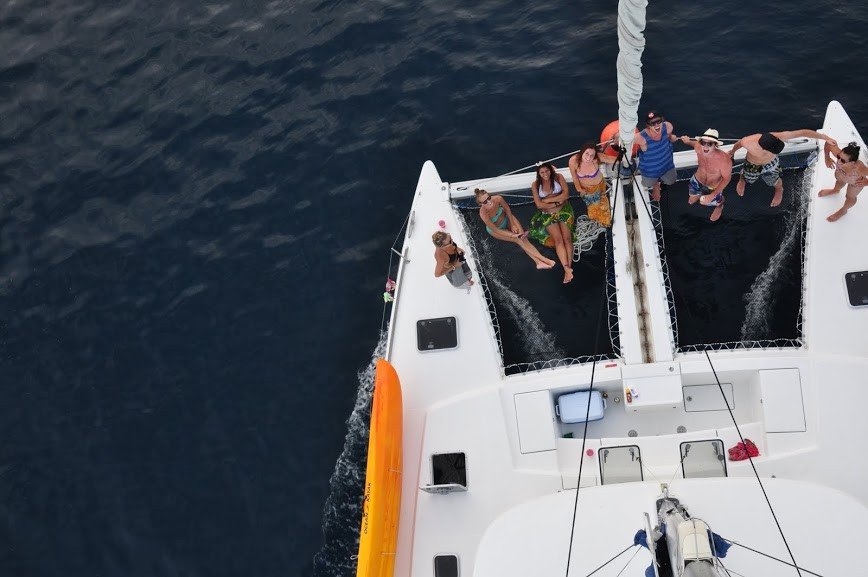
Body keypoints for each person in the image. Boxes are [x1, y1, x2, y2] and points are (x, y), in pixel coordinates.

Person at [730, 129, 836, 207]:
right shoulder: (748, 142)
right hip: (752, 164)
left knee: (775, 180)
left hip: (771, 163)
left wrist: (826, 138)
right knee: (746, 176)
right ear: (763, 148)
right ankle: (742, 180)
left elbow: (803, 132)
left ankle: (779, 189)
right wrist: (732, 152)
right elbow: (739, 144)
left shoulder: (778, 136)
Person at [474, 189, 555, 269]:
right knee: (518, 240)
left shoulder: (498, 198)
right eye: (485, 202)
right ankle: (545, 260)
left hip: (506, 218)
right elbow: (496, 230)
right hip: (496, 230)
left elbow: (507, 209)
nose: (489, 202)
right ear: (480, 204)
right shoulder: (483, 214)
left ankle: (538, 263)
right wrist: (512, 235)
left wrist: (512, 224)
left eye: (489, 198)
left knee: (523, 238)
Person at [529, 163, 575, 283]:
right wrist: (557, 201)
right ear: (538, 174)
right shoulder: (535, 184)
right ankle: (566, 268)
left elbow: (566, 195)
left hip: (564, 211)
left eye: (547, 171)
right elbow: (539, 204)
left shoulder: (558, 177)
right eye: (542, 172)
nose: (545, 174)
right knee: (558, 240)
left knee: (567, 239)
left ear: (551, 170)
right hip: (547, 215)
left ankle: (568, 268)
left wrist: (548, 200)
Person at [678, 129, 733, 221]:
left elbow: (727, 178)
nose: (705, 147)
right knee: (692, 198)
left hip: (713, 187)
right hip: (697, 180)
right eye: (703, 143)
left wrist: (712, 195)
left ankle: (720, 206)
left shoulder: (724, 160)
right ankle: (698, 195)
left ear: (715, 145)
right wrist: (688, 141)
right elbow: (694, 144)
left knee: (714, 201)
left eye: (710, 144)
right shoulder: (698, 147)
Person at [634, 110, 679, 202]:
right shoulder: (641, 138)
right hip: (650, 171)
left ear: (662, 120)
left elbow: (670, 138)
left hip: (667, 165)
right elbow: (625, 140)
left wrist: (672, 138)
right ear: (648, 125)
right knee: (647, 184)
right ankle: (656, 185)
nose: (656, 125)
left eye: (658, 121)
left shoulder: (668, 127)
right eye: (652, 123)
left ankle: (658, 182)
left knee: (672, 181)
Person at [819, 141, 868, 222]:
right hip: (841, 176)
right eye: (838, 157)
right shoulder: (839, 155)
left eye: (843, 160)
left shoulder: (859, 168)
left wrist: (866, 182)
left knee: (850, 197)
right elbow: (828, 144)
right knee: (839, 181)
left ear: (852, 163)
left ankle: (843, 210)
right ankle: (835, 190)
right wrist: (827, 158)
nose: (838, 161)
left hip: (855, 182)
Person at [568, 142, 613, 227]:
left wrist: (622, 157)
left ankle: (605, 223)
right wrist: (579, 189)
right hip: (587, 190)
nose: (588, 158)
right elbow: (574, 177)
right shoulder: (573, 161)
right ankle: (597, 223)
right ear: (582, 152)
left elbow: (610, 159)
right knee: (592, 208)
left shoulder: (597, 158)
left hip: (600, 186)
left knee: (603, 205)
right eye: (587, 154)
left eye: (592, 155)